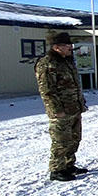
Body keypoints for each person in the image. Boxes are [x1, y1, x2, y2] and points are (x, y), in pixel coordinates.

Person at [34, 32, 88, 181]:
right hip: (61, 111)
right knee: (61, 141)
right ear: (57, 47)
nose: (70, 47)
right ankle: (57, 170)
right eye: (67, 45)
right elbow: (47, 91)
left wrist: (80, 102)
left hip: (74, 108)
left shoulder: (67, 61)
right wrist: (56, 110)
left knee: (74, 138)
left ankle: (68, 165)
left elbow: (75, 85)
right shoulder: (47, 64)